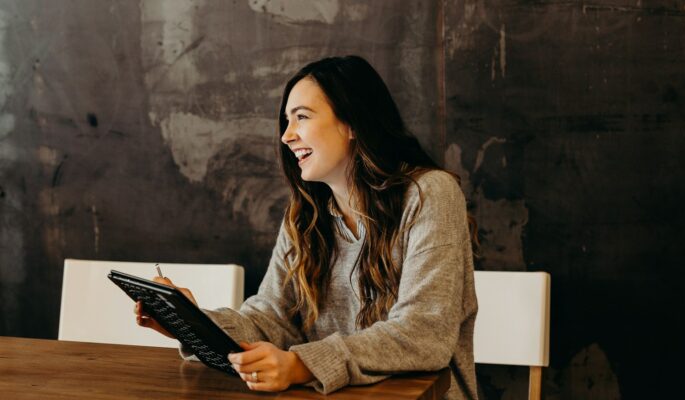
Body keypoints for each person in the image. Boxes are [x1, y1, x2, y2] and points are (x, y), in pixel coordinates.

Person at [135, 55, 479, 399]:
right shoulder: (305, 216)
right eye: (287, 121)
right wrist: (193, 324)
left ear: (352, 123)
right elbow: (270, 320)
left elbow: (424, 334)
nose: (286, 136)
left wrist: (301, 365)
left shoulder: (429, 195)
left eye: (301, 117)